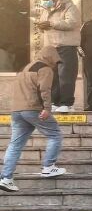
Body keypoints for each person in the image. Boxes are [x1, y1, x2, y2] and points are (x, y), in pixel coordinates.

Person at [0, 46, 67, 193]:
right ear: (51, 57)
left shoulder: (25, 68)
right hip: (33, 109)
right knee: (55, 135)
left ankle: (6, 178)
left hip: (17, 110)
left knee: (15, 144)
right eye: (56, 61)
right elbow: (45, 90)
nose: (55, 65)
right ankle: (48, 167)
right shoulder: (45, 69)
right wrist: (47, 109)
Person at [33, 0, 81, 112]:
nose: (45, 2)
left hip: (66, 46)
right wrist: (41, 26)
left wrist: (51, 23)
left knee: (66, 75)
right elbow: (44, 24)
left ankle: (67, 103)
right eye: (43, 0)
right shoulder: (46, 9)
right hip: (51, 47)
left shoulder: (68, 6)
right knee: (53, 76)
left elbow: (72, 23)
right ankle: (55, 101)